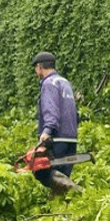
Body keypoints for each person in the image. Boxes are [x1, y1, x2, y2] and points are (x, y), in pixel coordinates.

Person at [31, 51, 79, 190]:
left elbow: (51, 109)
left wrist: (47, 131)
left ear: (40, 67)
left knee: (40, 171)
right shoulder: (64, 82)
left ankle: (76, 191)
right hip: (71, 137)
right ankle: (63, 205)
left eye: (36, 68)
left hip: (57, 138)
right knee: (63, 176)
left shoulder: (48, 83)